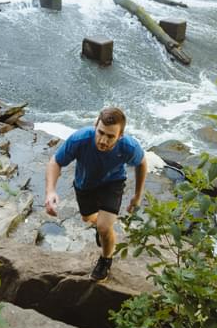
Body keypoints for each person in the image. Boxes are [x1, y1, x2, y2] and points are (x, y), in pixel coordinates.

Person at [45, 107, 148, 282]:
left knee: (104, 227)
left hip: (112, 183)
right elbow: (56, 161)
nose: (103, 140)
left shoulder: (129, 147)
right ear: (95, 126)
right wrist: (50, 191)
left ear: (120, 135)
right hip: (85, 184)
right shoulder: (80, 139)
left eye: (110, 136)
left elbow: (142, 163)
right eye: (100, 133)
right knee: (87, 218)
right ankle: (101, 229)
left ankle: (106, 259)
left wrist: (137, 196)